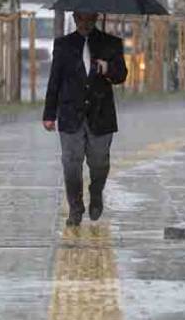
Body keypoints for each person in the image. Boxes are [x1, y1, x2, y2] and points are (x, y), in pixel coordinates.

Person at [43, 11, 128, 226]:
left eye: (90, 19)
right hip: (71, 113)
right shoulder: (63, 45)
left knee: (99, 162)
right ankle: (75, 207)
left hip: (101, 114)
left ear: (97, 18)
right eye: (81, 19)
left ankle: (96, 193)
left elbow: (121, 75)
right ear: (75, 18)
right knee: (71, 163)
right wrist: (49, 114)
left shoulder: (111, 43)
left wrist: (107, 68)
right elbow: (55, 79)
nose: (85, 24)